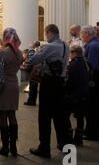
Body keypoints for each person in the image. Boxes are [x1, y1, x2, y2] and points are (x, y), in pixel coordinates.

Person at [28, 24, 70, 158]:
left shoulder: (50, 47)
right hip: (61, 83)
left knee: (44, 116)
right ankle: (63, 144)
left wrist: (32, 48)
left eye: (46, 34)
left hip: (49, 83)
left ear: (50, 33)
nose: (46, 37)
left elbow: (33, 60)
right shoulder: (65, 46)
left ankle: (44, 148)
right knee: (60, 116)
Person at [0, 28, 23, 157]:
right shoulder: (19, 53)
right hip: (14, 84)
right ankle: (14, 147)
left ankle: (5, 147)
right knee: (12, 114)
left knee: (3, 115)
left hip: (3, 85)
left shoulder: (2, 53)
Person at [81, 26, 99, 141]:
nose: (82, 37)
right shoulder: (98, 43)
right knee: (96, 105)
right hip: (98, 76)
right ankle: (97, 131)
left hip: (93, 78)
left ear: (87, 33)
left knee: (91, 106)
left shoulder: (93, 45)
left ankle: (92, 133)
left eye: (82, 34)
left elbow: (89, 65)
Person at [65, 46, 90, 146]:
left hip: (74, 94)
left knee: (65, 115)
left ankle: (68, 136)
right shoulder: (86, 63)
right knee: (80, 117)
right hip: (84, 93)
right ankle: (79, 138)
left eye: (70, 53)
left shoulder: (74, 64)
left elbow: (70, 81)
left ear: (74, 53)